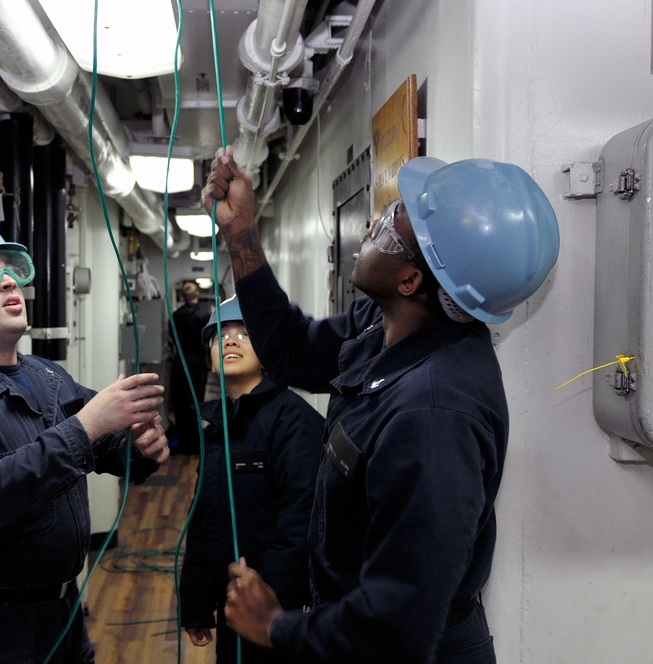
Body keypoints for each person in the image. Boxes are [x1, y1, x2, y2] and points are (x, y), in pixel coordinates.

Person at [203, 148, 559, 663]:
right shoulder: (387, 325)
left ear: (410, 280)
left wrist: (275, 628)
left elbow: (395, 625)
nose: (374, 225)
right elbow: (292, 350)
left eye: (392, 226)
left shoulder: (434, 417)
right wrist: (241, 233)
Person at [0, 212, 170, 664]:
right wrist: (88, 426)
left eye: (11, 269)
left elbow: (106, 447)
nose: (8, 282)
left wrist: (140, 448)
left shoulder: (47, 375)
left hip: (61, 612)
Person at [179, 295, 324, 663]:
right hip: (235, 609)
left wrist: (264, 605)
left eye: (245, 334)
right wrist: (196, 603)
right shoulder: (218, 427)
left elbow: (300, 523)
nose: (230, 341)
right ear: (209, 361)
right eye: (220, 336)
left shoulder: (294, 422)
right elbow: (204, 518)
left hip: (277, 613)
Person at [169, 281, 212, 454]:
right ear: (198, 295)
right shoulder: (204, 316)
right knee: (196, 402)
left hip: (179, 363)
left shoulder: (175, 315)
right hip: (197, 364)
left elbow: (171, 337)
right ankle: (196, 444)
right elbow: (208, 339)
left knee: (180, 404)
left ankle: (184, 443)